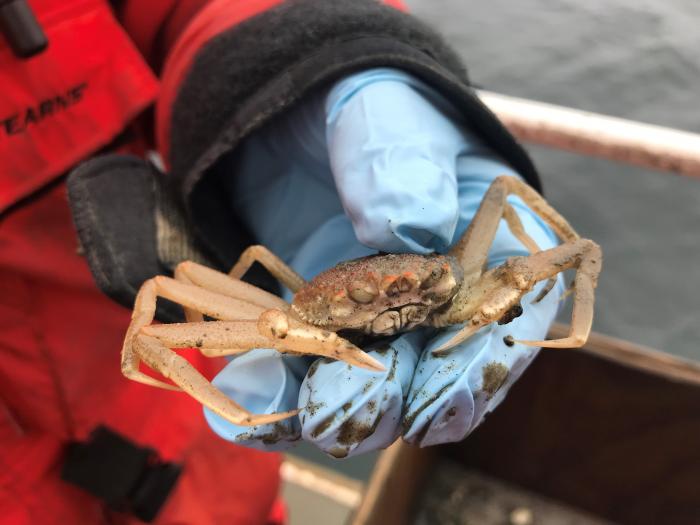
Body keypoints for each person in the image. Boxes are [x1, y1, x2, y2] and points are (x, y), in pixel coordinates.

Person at [1, 1, 562, 525]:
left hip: (195, 475)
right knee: (168, 307)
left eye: (403, 294)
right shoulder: (286, 315)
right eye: (375, 298)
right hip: (238, 365)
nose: (390, 305)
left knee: (522, 223)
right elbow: (154, 325)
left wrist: (296, 56)